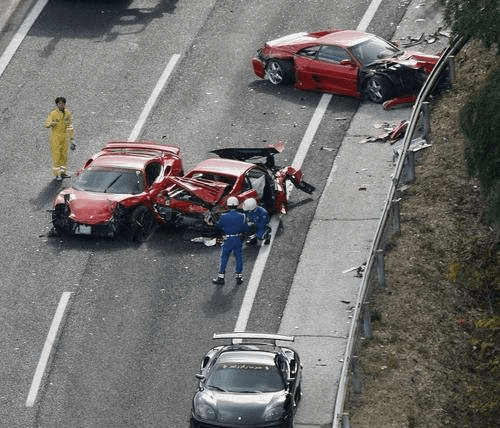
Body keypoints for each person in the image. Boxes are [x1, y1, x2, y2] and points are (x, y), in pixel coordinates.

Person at [212, 196, 249, 286]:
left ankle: (221, 277)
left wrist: (219, 237)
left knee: (224, 258)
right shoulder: (242, 216)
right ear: (237, 205)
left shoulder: (224, 216)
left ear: (228, 205)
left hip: (227, 239)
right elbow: (245, 228)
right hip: (237, 239)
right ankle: (239, 277)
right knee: (238, 257)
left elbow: (218, 227)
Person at [44, 97, 75, 181]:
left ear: (65, 104)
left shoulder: (67, 113)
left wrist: (72, 140)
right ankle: (57, 174)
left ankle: (63, 172)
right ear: (57, 105)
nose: (61, 105)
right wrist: (52, 123)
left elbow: (70, 126)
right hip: (56, 138)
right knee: (57, 156)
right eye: (59, 103)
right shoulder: (53, 113)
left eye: (62, 103)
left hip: (64, 137)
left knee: (64, 156)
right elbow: (46, 124)